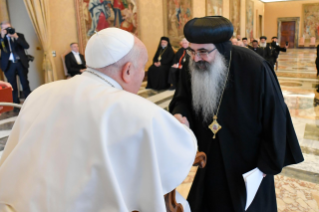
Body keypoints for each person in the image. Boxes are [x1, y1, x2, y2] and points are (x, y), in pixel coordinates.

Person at [0, 28, 197, 212]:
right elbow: (180, 153)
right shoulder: (138, 111)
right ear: (128, 70)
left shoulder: (40, 92)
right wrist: (184, 128)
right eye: (141, 68)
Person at [169, 16, 304, 212]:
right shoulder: (193, 66)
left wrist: (267, 162)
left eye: (203, 51)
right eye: (192, 51)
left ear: (222, 48)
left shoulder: (255, 67)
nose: (196, 57)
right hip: (210, 155)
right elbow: (182, 99)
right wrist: (180, 115)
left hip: (248, 163)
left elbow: (275, 116)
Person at [0, 21, 31, 104]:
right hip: (9, 65)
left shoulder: (19, 35)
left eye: (9, 28)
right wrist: (2, 38)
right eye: (5, 28)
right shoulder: (1, 37)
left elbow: (26, 46)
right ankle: (15, 105)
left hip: (20, 63)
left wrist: (16, 37)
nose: (7, 30)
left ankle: (29, 102)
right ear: (2, 29)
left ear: (12, 27)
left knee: (25, 83)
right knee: (12, 86)